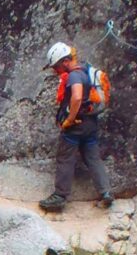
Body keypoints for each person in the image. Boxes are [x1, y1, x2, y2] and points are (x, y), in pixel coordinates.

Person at [38, 41, 114, 212]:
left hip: (76, 124)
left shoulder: (74, 76)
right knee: (93, 158)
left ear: (65, 61)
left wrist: (70, 119)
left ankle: (59, 196)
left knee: (65, 158)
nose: (56, 71)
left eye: (57, 66)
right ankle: (106, 192)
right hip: (91, 123)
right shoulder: (86, 71)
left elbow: (77, 97)